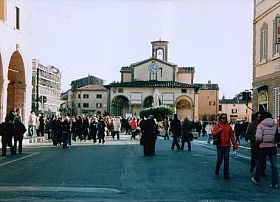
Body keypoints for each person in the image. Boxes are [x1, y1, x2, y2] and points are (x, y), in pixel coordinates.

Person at [251, 111, 279, 189]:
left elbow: (258, 138)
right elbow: (277, 137)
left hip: (263, 146)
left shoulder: (261, 125)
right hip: (272, 146)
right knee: (274, 166)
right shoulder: (275, 125)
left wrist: (257, 143)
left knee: (260, 163)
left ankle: (256, 179)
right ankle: (275, 183)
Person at [212, 113, 238, 179]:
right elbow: (213, 134)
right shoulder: (217, 126)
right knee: (220, 159)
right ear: (220, 118)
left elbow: (232, 136)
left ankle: (226, 174)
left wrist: (235, 144)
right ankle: (217, 169)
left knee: (226, 160)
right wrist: (219, 131)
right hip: (219, 145)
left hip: (227, 145)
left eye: (225, 118)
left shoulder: (228, 127)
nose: (224, 119)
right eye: (223, 118)